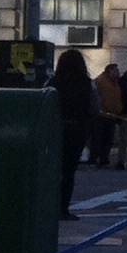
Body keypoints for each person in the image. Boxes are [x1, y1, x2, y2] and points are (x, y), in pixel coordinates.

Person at [50, 48, 96, 218]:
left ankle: (49, 206)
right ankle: (63, 209)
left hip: (56, 130)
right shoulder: (87, 83)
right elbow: (94, 108)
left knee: (53, 170)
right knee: (69, 172)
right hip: (77, 129)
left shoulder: (53, 83)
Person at [90, 59, 124, 167]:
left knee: (108, 139)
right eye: (116, 70)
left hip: (112, 115)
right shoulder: (100, 81)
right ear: (110, 71)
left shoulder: (116, 83)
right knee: (98, 138)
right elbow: (95, 96)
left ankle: (104, 159)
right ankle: (93, 159)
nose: (118, 72)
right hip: (101, 115)